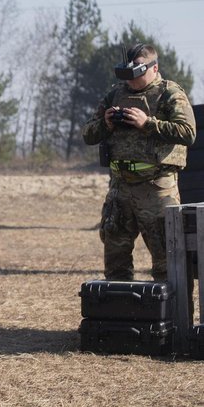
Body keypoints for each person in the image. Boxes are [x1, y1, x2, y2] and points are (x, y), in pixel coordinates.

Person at [82, 43, 196, 281]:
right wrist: (107, 123)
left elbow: (188, 132)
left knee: (168, 260)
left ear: (154, 68)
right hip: (120, 188)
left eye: (137, 74)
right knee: (115, 261)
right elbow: (88, 134)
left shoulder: (170, 93)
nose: (131, 82)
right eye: (127, 76)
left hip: (155, 187)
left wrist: (148, 123)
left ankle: (172, 316)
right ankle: (119, 315)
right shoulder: (116, 94)